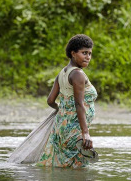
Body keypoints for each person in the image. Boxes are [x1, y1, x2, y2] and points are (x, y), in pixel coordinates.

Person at [36, 34, 97, 168]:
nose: (88, 57)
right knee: (78, 166)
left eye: (90, 53)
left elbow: (50, 100)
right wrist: (85, 133)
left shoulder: (62, 73)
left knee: (64, 163)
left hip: (61, 125)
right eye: (84, 53)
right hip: (75, 129)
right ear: (73, 53)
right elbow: (79, 103)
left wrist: (62, 110)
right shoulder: (78, 75)